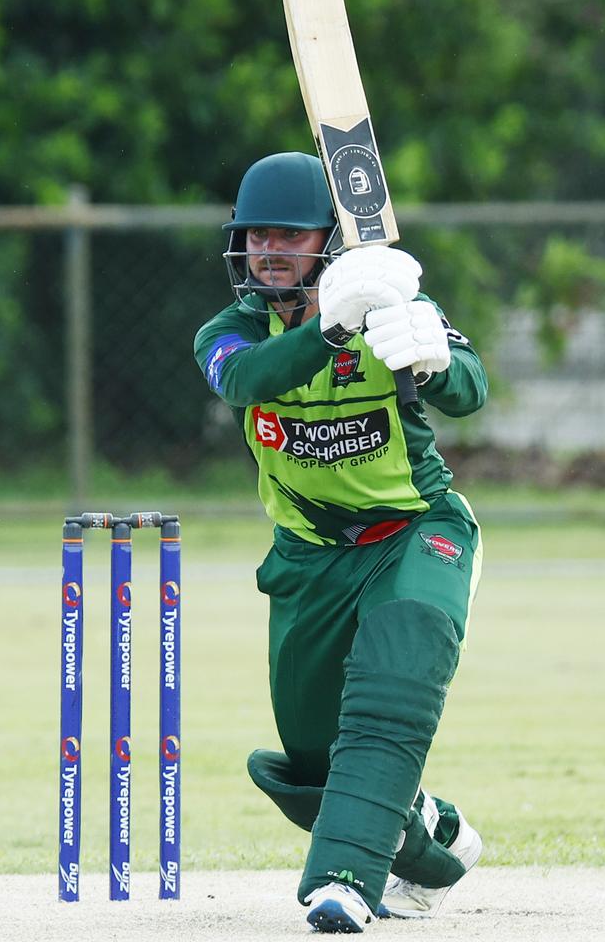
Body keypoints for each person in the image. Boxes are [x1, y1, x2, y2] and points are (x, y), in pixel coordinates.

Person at [193, 152, 488, 934]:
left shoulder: (391, 302)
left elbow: (471, 386)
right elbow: (251, 379)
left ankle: (343, 883)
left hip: (414, 532)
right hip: (307, 555)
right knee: (311, 762)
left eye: (290, 234)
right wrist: (329, 329)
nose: (268, 249)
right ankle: (432, 835)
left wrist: (430, 353)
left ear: (331, 241)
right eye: (257, 233)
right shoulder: (230, 333)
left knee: (389, 693)